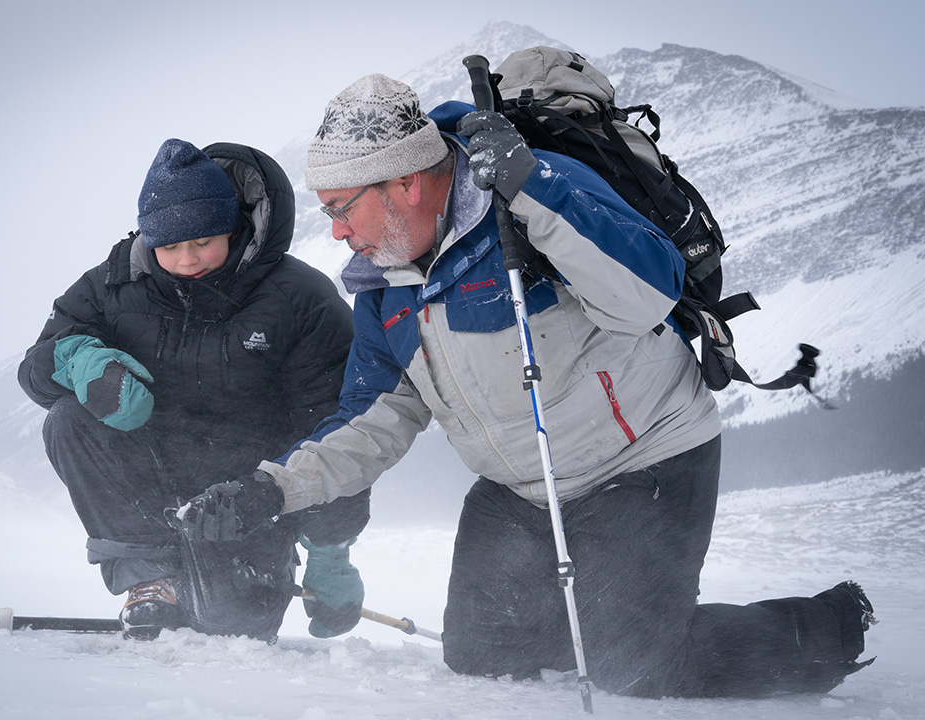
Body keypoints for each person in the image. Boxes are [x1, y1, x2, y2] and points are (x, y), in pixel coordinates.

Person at [175, 74, 879, 697]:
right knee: (484, 657)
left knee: (636, 671)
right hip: (522, 490)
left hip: (644, 465)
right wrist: (272, 488)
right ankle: (603, 617)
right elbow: (372, 419)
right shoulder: (382, 287)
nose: (335, 232)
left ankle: (824, 626)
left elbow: (646, 297)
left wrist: (532, 187)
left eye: (341, 207)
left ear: (404, 184)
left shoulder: (528, 200)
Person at [18, 138, 369, 641]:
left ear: (232, 226)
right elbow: (36, 369)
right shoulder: (111, 287)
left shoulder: (300, 299)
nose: (186, 260)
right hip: (149, 485)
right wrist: (76, 359)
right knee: (69, 418)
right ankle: (149, 580)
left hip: (248, 500)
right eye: (169, 246)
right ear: (148, 237)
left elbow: (336, 425)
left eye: (203, 242)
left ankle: (224, 590)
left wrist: (332, 548)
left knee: (230, 633)